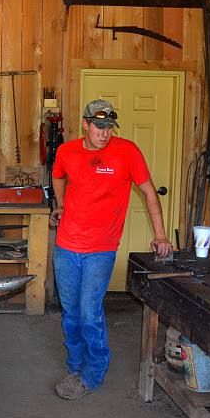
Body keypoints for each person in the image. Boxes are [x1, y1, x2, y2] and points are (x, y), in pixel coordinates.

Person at [49, 99, 172, 400]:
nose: (105, 133)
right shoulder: (67, 151)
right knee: (71, 313)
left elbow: (148, 192)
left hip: (101, 248)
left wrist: (161, 235)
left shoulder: (127, 151)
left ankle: (93, 373)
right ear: (86, 125)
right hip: (66, 246)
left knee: (90, 312)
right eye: (99, 126)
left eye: (109, 128)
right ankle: (75, 365)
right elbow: (57, 175)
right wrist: (61, 205)